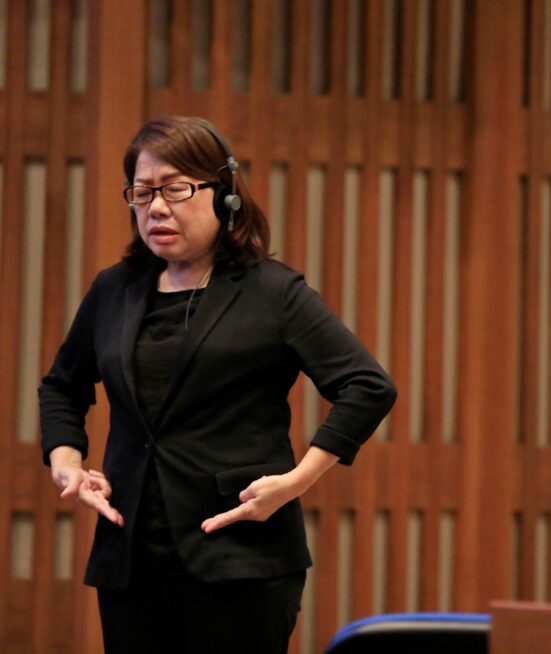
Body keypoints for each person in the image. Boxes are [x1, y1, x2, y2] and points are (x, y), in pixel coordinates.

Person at [39, 116, 397, 652]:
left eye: (176, 189)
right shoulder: (115, 289)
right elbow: (62, 387)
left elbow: (367, 385)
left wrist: (297, 480)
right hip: (131, 557)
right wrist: (66, 463)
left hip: (241, 560)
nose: (156, 207)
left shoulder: (272, 291)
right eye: (142, 193)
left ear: (223, 194)